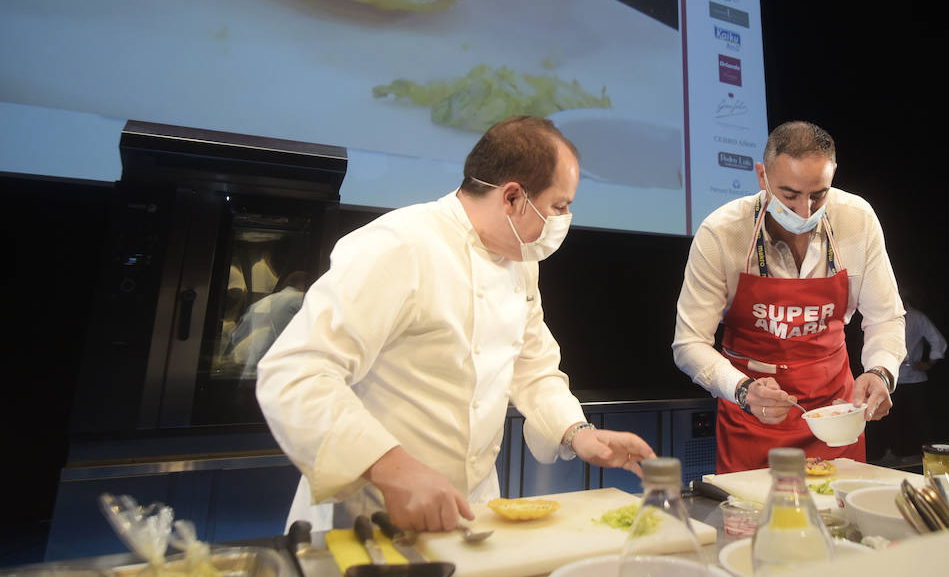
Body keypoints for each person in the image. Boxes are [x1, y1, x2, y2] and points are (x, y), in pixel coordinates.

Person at [256, 116, 654, 532]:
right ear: (513, 197)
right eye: (559, 206)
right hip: (371, 514)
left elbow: (532, 366)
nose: (565, 218)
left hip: (472, 508)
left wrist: (578, 433)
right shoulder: (400, 245)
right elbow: (296, 372)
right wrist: (391, 467)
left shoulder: (520, 263)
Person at [671, 121, 906, 473]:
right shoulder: (722, 233)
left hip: (834, 417)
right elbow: (688, 344)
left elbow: (885, 317)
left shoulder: (857, 219)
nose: (805, 212)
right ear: (761, 176)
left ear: (834, 175)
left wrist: (881, 371)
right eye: (790, 194)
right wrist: (743, 390)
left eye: (818, 195)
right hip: (752, 415)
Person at [869, 291, 947, 463]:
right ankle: (890, 454)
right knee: (888, 418)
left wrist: (928, 362)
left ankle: (928, 455)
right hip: (890, 378)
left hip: (914, 378)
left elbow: (938, 341)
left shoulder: (917, 318)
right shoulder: (883, 318)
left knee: (919, 419)